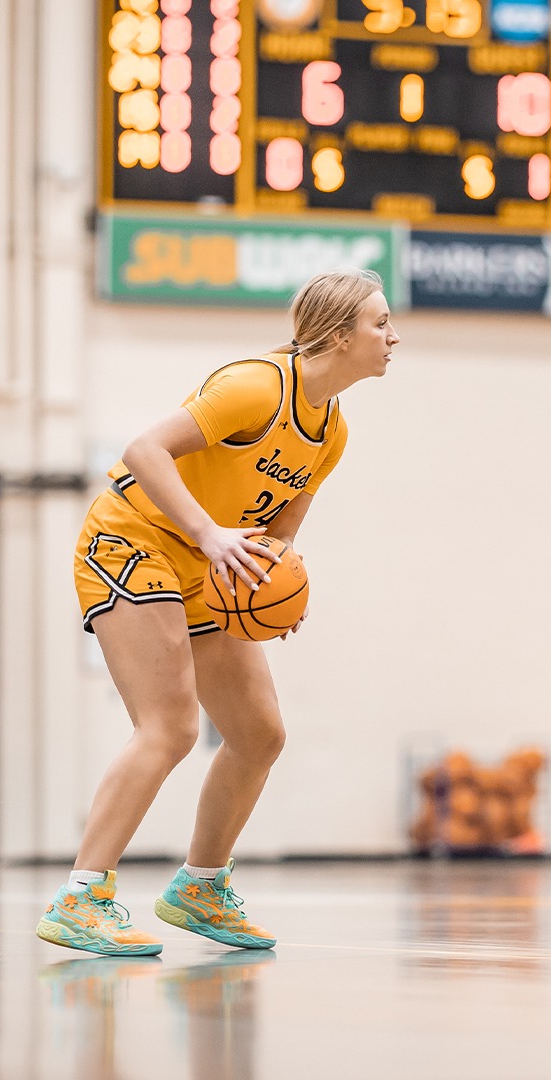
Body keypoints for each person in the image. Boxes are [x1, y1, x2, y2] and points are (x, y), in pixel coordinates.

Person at [37, 269, 399, 955]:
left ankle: (199, 888)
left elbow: (278, 534)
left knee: (259, 733)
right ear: (337, 335)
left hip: (210, 564)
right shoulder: (256, 387)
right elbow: (142, 450)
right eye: (380, 323)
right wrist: (209, 534)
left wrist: (273, 586)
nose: (393, 336)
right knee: (169, 728)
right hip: (134, 539)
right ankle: (81, 898)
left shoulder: (332, 431)